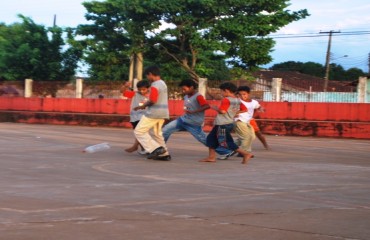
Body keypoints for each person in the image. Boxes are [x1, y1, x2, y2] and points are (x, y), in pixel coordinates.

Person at [200, 82, 253, 164]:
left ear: (226, 91)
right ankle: (211, 157)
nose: (221, 93)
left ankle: (245, 153)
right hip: (229, 123)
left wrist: (215, 108)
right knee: (210, 139)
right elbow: (245, 109)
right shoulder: (237, 100)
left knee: (226, 142)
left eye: (221, 91)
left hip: (222, 124)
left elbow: (222, 111)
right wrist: (234, 113)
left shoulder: (226, 99)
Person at [134, 66, 171, 161]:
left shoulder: (155, 85)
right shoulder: (163, 83)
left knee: (138, 131)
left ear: (150, 74)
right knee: (156, 134)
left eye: (147, 76)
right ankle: (164, 154)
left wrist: (143, 106)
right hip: (163, 113)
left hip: (153, 113)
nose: (147, 78)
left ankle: (155, 149)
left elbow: (153, 100)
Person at [162, 79, 210, 144]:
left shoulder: (198, 96)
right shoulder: (186, 96)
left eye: (184, 89)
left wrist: (194, 111)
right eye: (182, 89)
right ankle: (162, 149)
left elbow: (207, 106)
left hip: (193, 123)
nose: (183, 91)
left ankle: (225, 151)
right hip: (182, 120)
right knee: (165, 130)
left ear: (191, 87)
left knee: (205, 140)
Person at [122, 80, 150, 154]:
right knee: (139, 133)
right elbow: (123, 92)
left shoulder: (150, 96)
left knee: (140, 132)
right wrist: (125, 86)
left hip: (144, 117)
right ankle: (144, 149)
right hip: (134, 116)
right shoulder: (135, 94)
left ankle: (135, 146)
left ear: (148, 88)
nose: (141, 91)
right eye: (140, 89)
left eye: (144, 89)